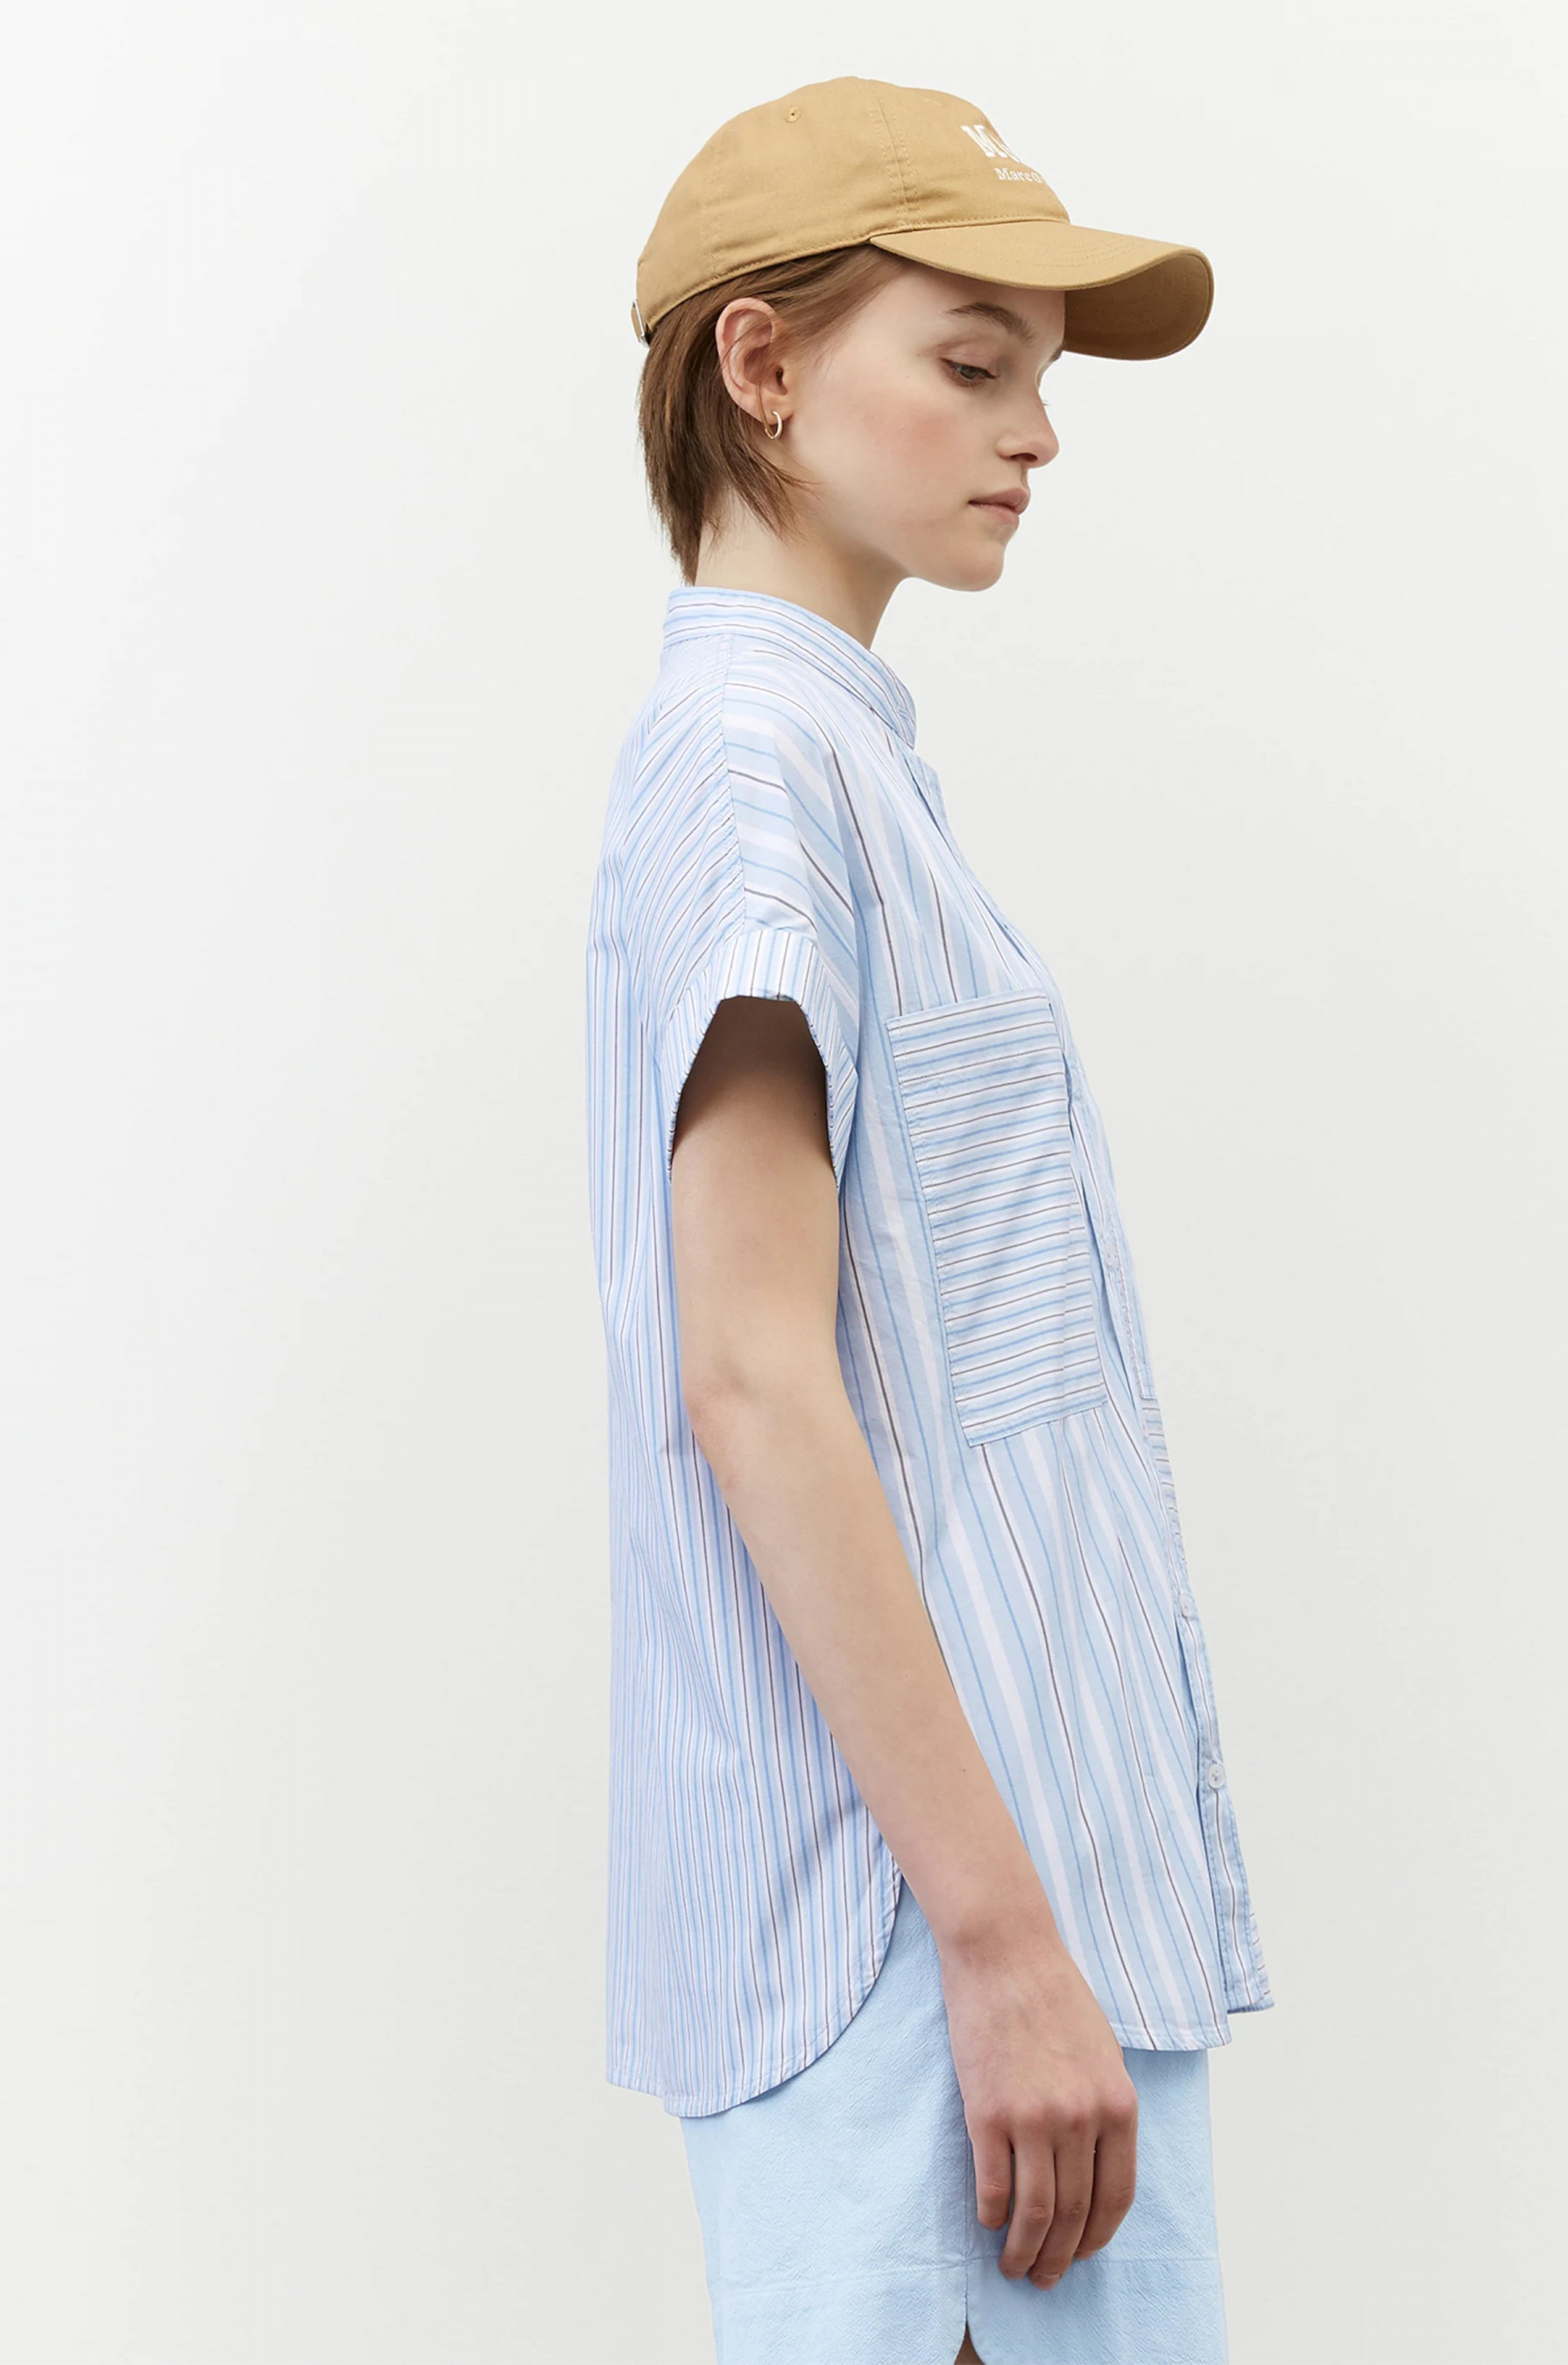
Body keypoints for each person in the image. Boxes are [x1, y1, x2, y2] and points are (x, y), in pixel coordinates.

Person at [584, 74, 1274, 2365]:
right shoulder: (755, 769)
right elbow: (753, 1371)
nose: (1035, 433)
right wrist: (993, 1938)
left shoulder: (842, 766)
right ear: (761, 366)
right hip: (920, 1982)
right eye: (972, 364)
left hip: (998, 1954)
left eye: (1039, 379)